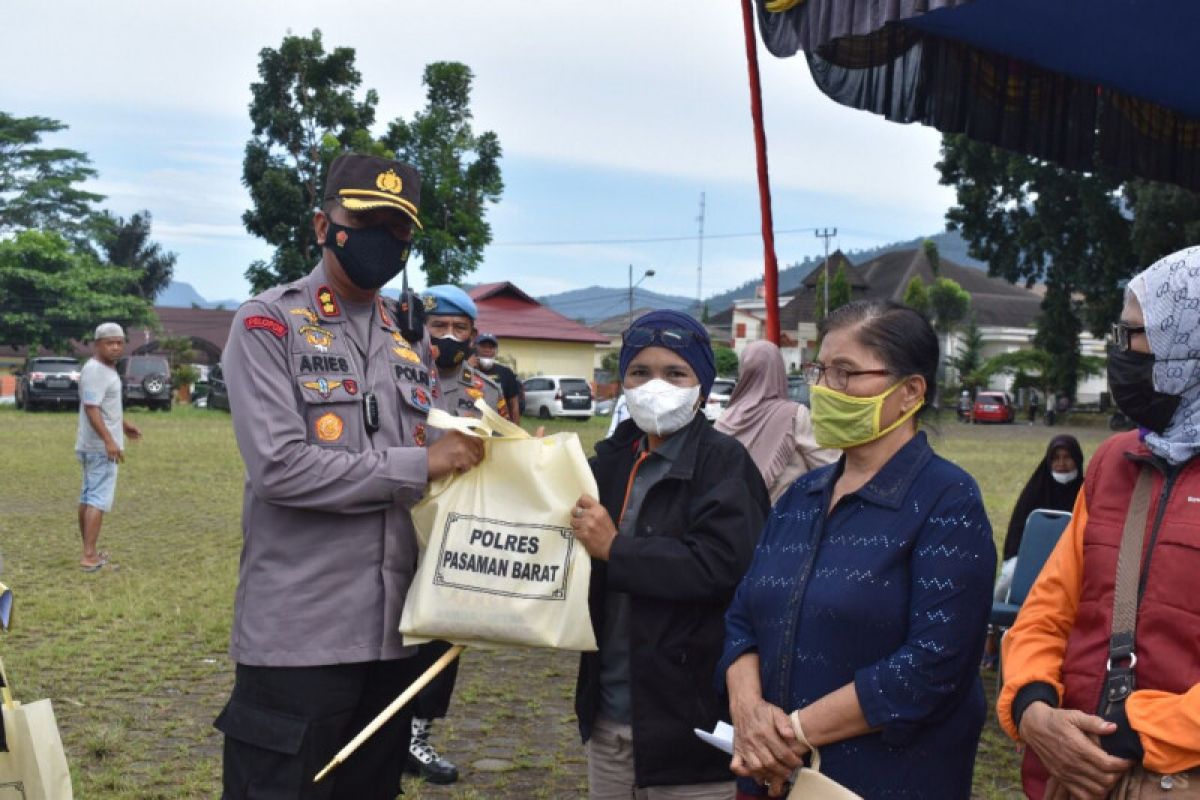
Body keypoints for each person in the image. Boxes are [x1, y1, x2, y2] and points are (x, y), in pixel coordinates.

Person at [214, 153, 485, 799]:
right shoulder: (267, 323)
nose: (381, 240)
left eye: (397, 229)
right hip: (300, 639)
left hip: (396, 639)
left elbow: (440, 461)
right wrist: (421, 464)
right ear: (322, 224)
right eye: (363, 219)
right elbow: (281, 468)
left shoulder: (408, 340)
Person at [721, 300, 996, 799]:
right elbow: (743, 618)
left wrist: (790, 735)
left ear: (910, 392)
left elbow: (933, 664)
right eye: (820, 371)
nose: (824, 390)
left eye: (845, 373)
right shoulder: (801, 499)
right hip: (768, 777)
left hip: (881, 782)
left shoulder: (947, 502)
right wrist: (747, 712)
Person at [998, 247, 1200, 800]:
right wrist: (1033, 707)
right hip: (1065, 776)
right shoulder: (1114, 461)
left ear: (1188, 341)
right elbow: (1046, 611)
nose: (1120, 351)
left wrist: (1132, 736)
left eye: (1133, 333)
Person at [570, 309, 771, 799]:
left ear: (701, 384)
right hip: (609, 717)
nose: (654, 385)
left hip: (691, 730)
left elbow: (722, 567)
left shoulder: (726, 464)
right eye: (640, 372)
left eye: (674, 372)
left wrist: (617, 549)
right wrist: (536, 469)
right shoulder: (608, 462)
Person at [396, 284, 504, 786]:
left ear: (474, 334)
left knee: (441, 635)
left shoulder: (488, 392)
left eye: (460, 328)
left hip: (455, 531)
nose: (449, 336)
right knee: (389, 629)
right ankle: (383, 731)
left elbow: (503, 453)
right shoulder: (395, 375)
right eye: (439, 326)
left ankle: (418, 736)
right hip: (395, 518)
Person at [715, 340, 838, 503]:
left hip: (735, 518)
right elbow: (829, 466)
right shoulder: (794, 414)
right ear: (779, 369)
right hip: (784, 519)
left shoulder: (725, 417)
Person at [75, 322, 141, 572]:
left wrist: (123, 426)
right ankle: (89, 556)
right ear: (97, 344)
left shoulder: (104, 369)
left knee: (89, 496)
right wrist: (109, 440)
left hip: (94, 445)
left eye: (119, 342)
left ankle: (89, 551)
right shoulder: (96, 371)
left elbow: (102, 406)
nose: (115, 347)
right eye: (109, 343)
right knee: (98, 500)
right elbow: (91, 408)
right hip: (98, 448)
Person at [474, 332, 522, 425]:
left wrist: (516, 428)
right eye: (483, 346)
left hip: (499, 426)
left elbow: (514, 403)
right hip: (474, 423)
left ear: (495, 351)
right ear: (476, 348)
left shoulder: (506, 373)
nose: (487, 350)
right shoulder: (467, 370)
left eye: (491, 347)